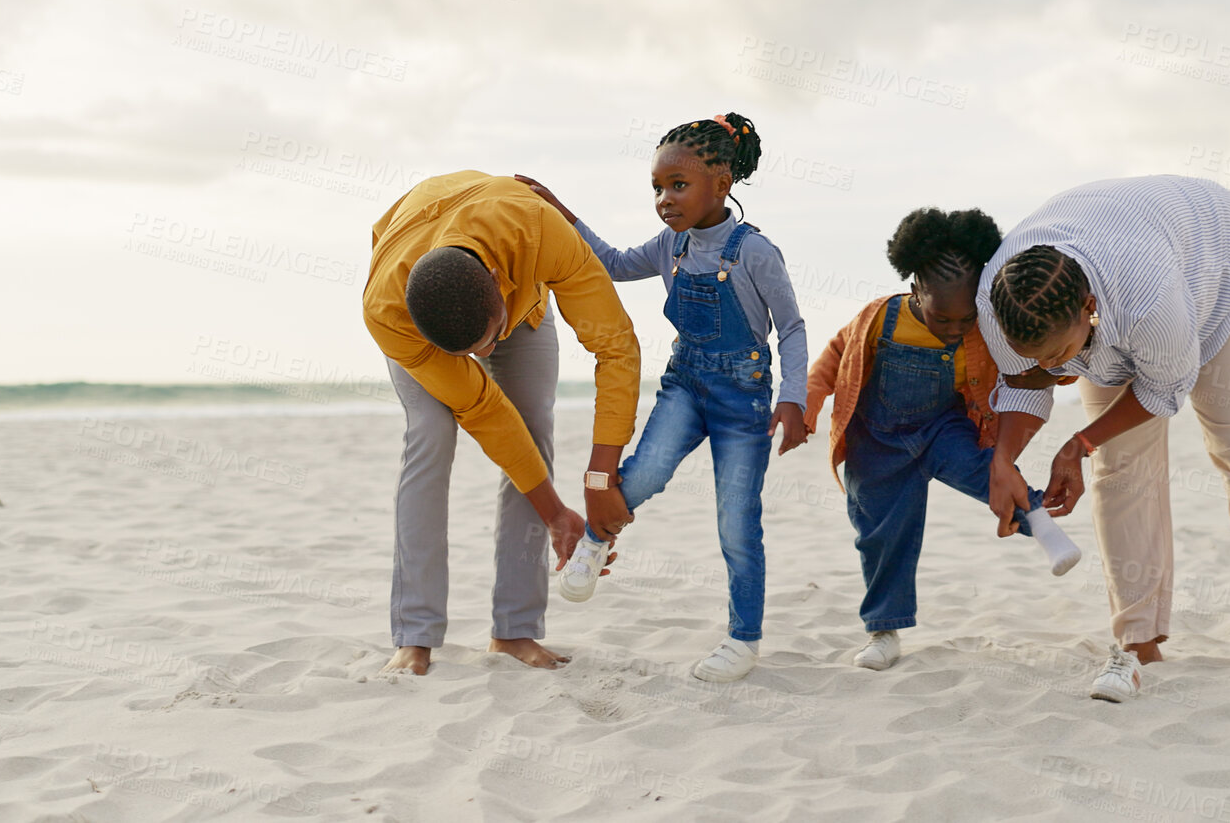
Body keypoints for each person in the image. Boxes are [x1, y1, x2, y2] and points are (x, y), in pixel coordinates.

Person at [977, 176, 1230, 700]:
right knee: (1121, 469)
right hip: (1128, 279)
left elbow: (1164, 389)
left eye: (1057, 356)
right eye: (1031, 352)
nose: (1048, 369)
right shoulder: (1005, 300)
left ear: (1087, 307)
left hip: (1228, 265)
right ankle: (1140, 641)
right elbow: (1022, 383)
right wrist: (1004, 459)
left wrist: (1078, 443)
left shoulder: (1148, 302)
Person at [520, 113, 807, 683]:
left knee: (736, 520)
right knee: (644, 474)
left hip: (743, 397)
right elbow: (615, 264)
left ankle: (743, 639)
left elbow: (792, 328)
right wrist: (562, 213)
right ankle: (597, 540)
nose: (664, 199)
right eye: (657, 187)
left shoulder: (755, 252)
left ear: (722, 184)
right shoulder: (668, 243)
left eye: (678, 185)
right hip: (685, 383)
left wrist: (793, 399)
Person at [363, 171, 640, 675]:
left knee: (533, 422)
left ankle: (514, 631)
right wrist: (556, 512)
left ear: (495, 283)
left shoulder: (542, 232)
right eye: (469, 354)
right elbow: (485, 411)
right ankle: (415, 637)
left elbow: (615, 346)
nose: (483, 357)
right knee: (431, 432)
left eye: (487, 341)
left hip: (517, 276)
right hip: (414, 305)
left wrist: (600, 477)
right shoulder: (387, 311)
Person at [805, 208, 1082, 671]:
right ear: (916, 291)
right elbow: (835, 358)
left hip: (942, 429)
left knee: (991, 471)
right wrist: (809, 403)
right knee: (880, 535)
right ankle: (883, 630)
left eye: (966, 318)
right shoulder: (880, 319)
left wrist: (1062, 363)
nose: (956, 328)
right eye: (944, 318)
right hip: (877, 441)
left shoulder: (982, 328)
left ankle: (1043, 526)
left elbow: (1031, 364)